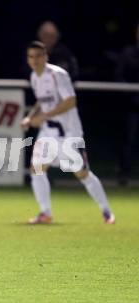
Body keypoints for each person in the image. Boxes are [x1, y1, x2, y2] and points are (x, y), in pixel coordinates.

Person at [21, 41, 115, 225]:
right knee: (36, 169)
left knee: (82, 174)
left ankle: (106, 211)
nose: (35, 60)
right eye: (31, 56)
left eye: (38, 56)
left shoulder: (57, 74)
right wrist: (30, 116)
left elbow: (70, 101)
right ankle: (45, 213)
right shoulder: (34, 77)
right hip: (49, 132)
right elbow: (42, 101)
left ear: (46, 56)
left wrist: (43, 116)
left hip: (69, 133)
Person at [115, 22, 139, 186]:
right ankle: (124, 173)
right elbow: (119, 76)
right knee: (128, 140)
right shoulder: (128, 53)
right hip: (132, 105)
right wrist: (130, 93)